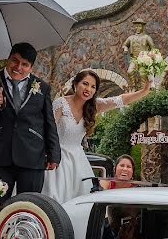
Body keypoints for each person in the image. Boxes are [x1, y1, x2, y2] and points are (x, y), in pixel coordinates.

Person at [42, 69, 150, 203]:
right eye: (85, 84)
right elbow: (47, 131)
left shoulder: (94, 106)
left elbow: (120, 100)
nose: (88, 89)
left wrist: (144, 91)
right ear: (75, 84)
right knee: (55, 197)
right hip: (57, 157)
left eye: (93, 87)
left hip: (77, 160)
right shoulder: (60, 103)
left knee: (80, 199)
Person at [0, 42, 60, 200]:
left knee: (29, 206)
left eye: (24, 64)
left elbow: (49, 122)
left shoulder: (42, 87)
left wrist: (54, 154)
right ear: (8, 59)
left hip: (32, 156)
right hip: (1, 156)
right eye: (15, 60)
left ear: (31, 67)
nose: (18, 67)